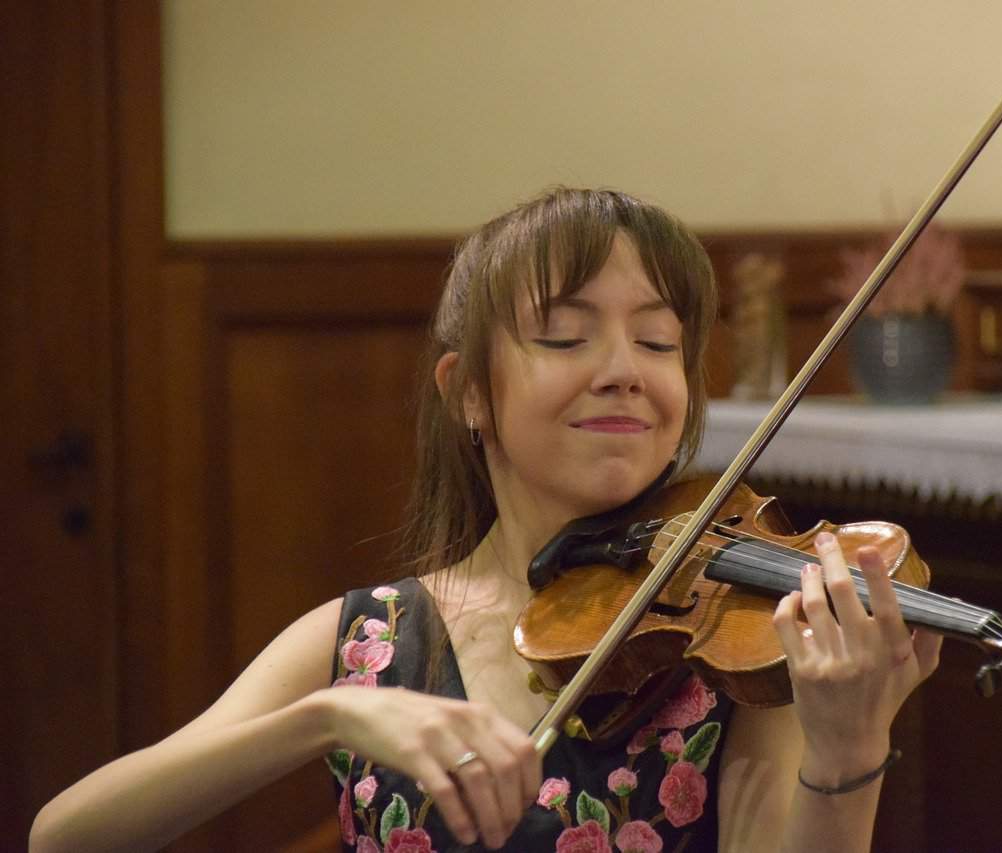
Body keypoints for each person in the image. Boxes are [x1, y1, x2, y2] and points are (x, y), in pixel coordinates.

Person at [30, 188, 941, 853]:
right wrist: (325, 719)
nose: (625, 369)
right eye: (564, 335)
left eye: (659, 343)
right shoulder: (369, 642)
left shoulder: (733, 659)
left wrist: (849, 745)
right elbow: (66, 834)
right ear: (469, 392)